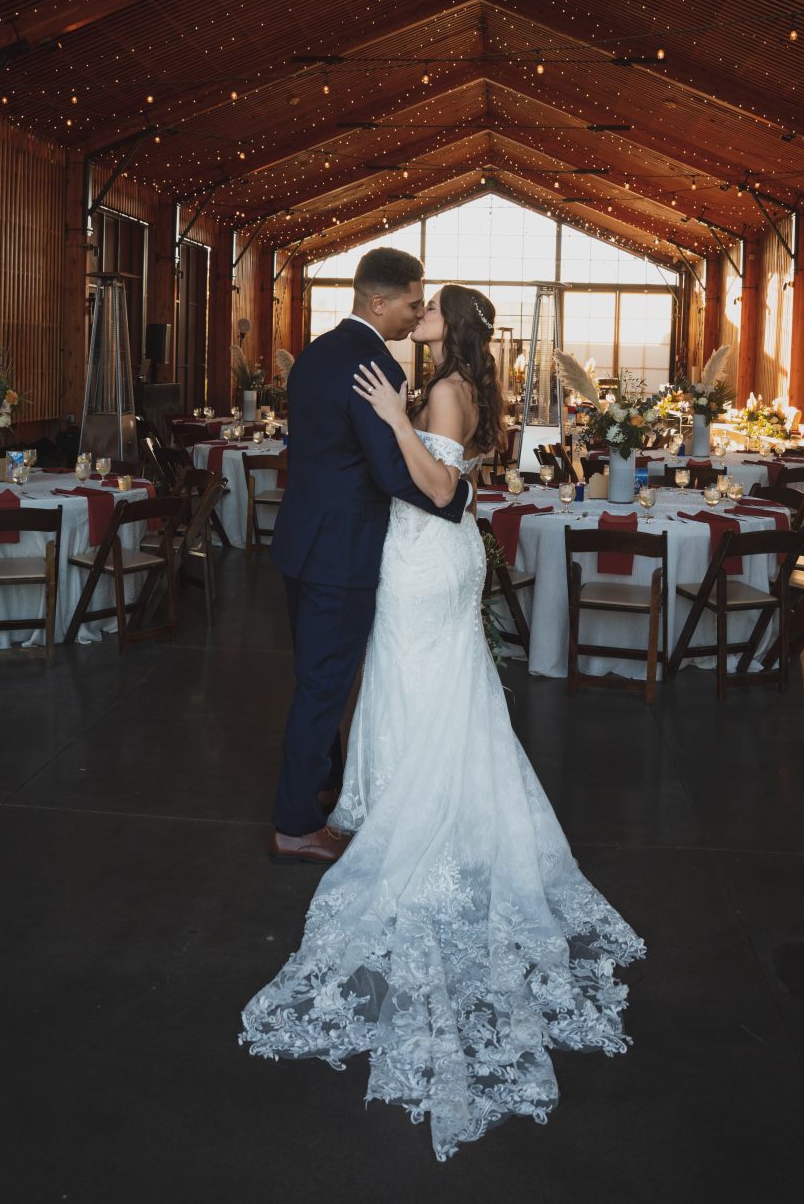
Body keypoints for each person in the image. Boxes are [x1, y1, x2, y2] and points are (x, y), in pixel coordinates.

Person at [242, 282, 644, 1161]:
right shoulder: (453, 378)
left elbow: (440, 484)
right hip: (427, 558)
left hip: (427, 555)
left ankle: (414, 809)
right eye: (411, 304)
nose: (415, 314)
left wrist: (392, 419)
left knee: (416, 680)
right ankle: (394, 791)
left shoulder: (444, 388)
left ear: (446, 324)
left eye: (428, 309)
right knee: (419, 684)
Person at [267, 247, 471, 866]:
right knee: (323, 690)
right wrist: (452, 493)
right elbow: (387, 470)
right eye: (412, 303)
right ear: (377, 302)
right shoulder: (375, 362)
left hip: (301, 541)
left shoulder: (315, 353)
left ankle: (324, 782)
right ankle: (296, 825)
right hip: (343, 551)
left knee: (316, 679)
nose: (416, 315)